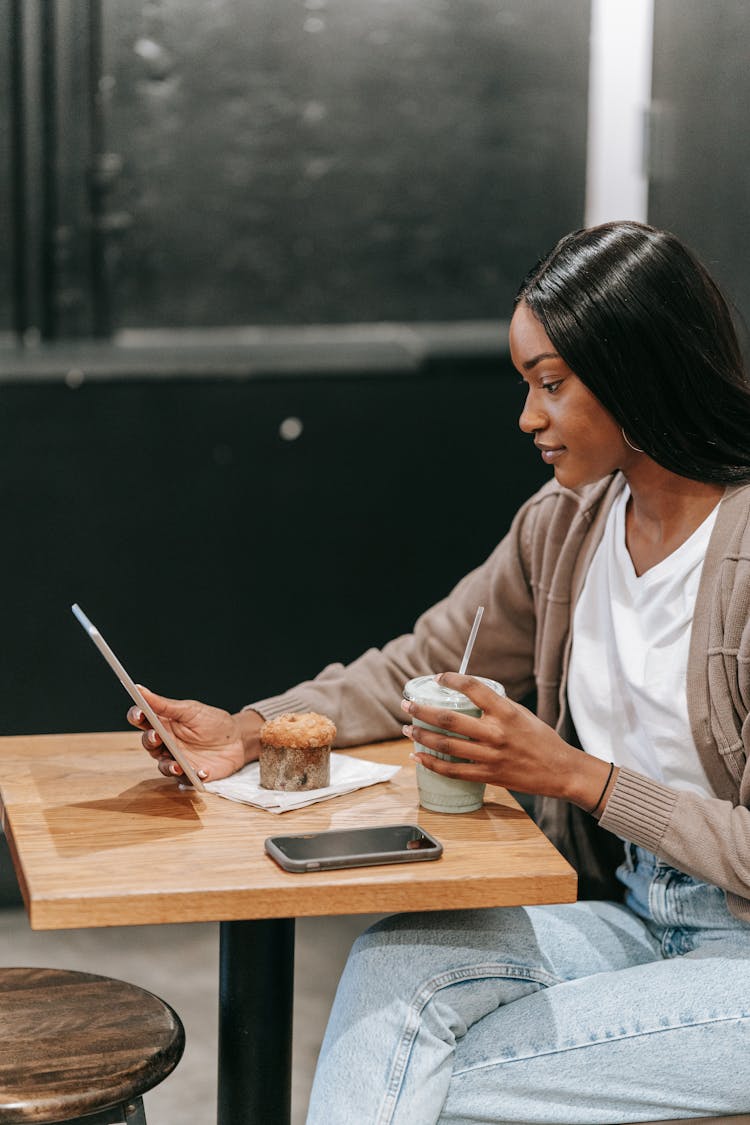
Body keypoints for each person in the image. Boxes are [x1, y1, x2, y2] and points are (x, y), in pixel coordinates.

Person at [129, 221, 750, 1124]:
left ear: (639, 371)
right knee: (393, 976)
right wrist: (252, 729)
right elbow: (427, 662)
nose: (528, 418)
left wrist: (576, 776)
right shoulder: (567, 525)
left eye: (550, 385)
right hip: (640, 911)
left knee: (441, 1076)